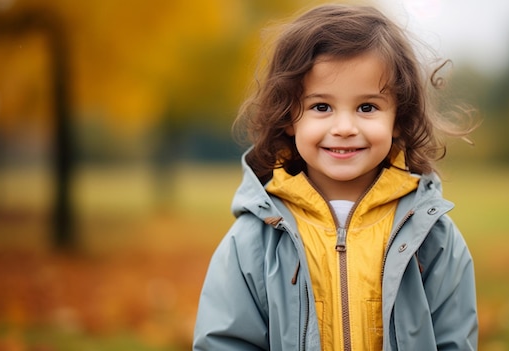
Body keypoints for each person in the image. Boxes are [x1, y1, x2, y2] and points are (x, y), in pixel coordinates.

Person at [193, 3, 478, 350]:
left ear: (398, 117)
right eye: (321, 107)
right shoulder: (254, 241)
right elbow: (225, 342)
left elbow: (455, 341)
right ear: (288, 116)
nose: (344, 128)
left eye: (367, 107)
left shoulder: (432, 239)